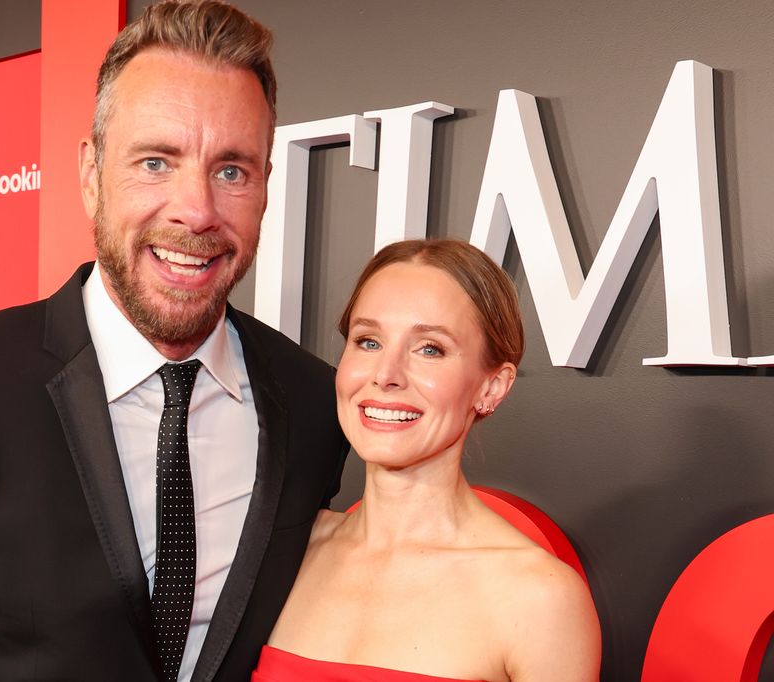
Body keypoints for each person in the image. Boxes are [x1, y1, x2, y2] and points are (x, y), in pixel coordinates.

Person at [0, 2, 348, 681]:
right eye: (155, 161)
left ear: (264, 187)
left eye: (232, 170)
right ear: (90, 175)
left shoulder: (318, 404)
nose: (196, 209)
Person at [253, 239, 601, 682]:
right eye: (368, 341)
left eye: (430, 349)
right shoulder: (288, 549)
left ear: (491, 387)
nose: (385, 375)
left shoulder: (539, 598)